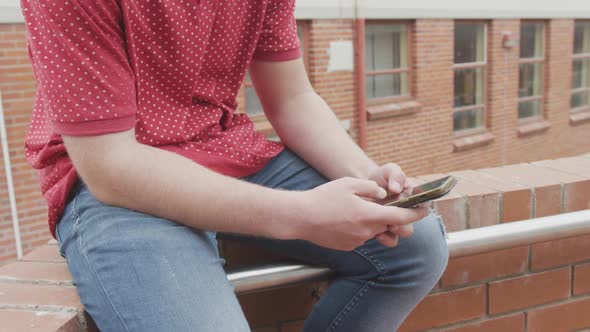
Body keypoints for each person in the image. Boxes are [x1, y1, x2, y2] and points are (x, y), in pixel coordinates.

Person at [21, 0, 448, 331]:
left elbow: (291, 99)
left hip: (223, 145)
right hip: (119, 185)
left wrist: (366, 177)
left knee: (416, 247)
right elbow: (110, 166)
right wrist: (303, 216)